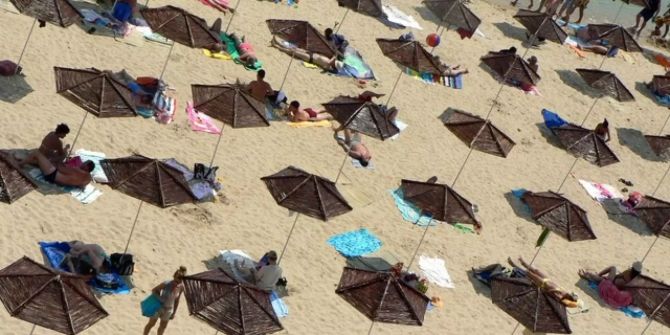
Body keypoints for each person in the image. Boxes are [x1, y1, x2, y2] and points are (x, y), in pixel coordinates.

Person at [509, 257, 582, 308]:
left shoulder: (562, 298)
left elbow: (551, 292)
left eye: (572, 295)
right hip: (548, 280)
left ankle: (514, 265)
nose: (571, 293)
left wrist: (555, 290)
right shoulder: (566, 293)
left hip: (543, 284)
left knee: (529, 274)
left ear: (570, 298)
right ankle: (522, 261)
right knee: (536, 271)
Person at [144, 267, 187, 335]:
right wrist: (159, 298)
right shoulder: (166, 283)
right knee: (151, 324)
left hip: (169, 309)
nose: (177, 283)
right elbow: (154, 290)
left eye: (179, 282)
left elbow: (177, 300)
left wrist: (174, 312)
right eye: (176, 281)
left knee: (163, 327)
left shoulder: (181, 287)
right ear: (174, 277)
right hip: (159, 307)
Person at [17, 150, 94, 188]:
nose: (82, 163)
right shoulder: (88, 179)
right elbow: (81, 186)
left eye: (84, 163)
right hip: (61, 183)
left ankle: (20, 164)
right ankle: (26, 160)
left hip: (52, 176)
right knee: (43, 162)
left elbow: (60, 169)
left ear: (86, 167)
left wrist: (59, 163)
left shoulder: (77, 170)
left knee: (37, 153)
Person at [271, 36, 344, 73]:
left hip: (309, 58)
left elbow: (329, 63)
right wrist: (335, 55)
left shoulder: (328, 66)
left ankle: (276, 46)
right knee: (294, 48)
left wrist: (334, 57)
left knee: (292, 52)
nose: (335, 62)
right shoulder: (330, 59)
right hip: (311, 53)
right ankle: (278, 43)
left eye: (335, 63)